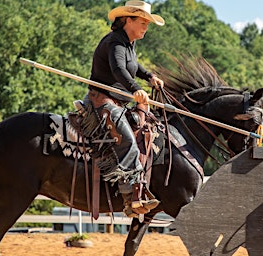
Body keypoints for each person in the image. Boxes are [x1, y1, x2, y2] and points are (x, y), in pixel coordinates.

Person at [85, 1, 165, 218]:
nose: (146, 27)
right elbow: (119, 69)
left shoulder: (128, 43)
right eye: (142, 22)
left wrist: (149, 76)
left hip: (118, 101)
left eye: (147, 23)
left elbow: (133, 66)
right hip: (102, 101)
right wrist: (137, 89)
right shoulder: (115, 42)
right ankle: (130, 197)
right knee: (128, 140)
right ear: (127, 20)